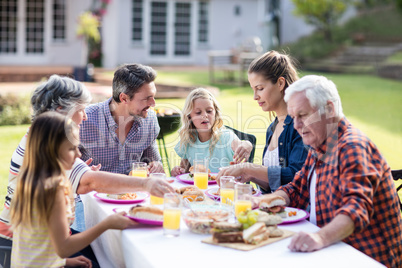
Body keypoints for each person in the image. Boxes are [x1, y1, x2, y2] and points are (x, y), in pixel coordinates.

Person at [0, 75, 173, 257]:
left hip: (34, 239)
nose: (84, 117)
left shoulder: (39, 133)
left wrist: (82, 175)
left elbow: (81, 184)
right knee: (108, 254)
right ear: (61, 109)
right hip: (24, 246)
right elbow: (89, 183)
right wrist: (146, 184)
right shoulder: (51, 141)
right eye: (81, 110)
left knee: (103, 251)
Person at [259, 75, 402, 268]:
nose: (296, 125)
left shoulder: (352, 146)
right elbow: (297, 189)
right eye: (293, 117)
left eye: (303, 115)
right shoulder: (319, 144)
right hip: (333, 253)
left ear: (330, 109)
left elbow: (356, 209)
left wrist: (319, 238)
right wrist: (261, 201)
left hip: (366, 259)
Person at [10, 112, 136, 267]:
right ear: (51, 150)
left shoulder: (30, 179)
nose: (79, 154)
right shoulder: (53, 190)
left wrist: (64, 262)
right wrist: (107, 224)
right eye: (72, 149)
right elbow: (63, 247)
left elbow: (38, 240)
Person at [216, 51, 307, 193]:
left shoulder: (300, 126)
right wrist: (251, 175)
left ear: (280, 83)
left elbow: (296, 177)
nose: (255, 97)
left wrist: (249, 168)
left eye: (260, 89)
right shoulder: (272, 128)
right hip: (272, 208)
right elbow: (274, 185)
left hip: (294, 213)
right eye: (253, 89)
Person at [79, 63, 164, 175]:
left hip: (133, 192)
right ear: (124, 98)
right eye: (147, 99)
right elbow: (63, 171)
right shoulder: (84, 120)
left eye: (153, 97)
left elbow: (154, 162)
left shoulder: (150, 120)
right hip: (94, 191)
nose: (153, 104)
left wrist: (156, 166)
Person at [171, 87, 253, 175]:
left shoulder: (226, 137)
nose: (205, 115)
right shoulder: (188, 140)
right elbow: (185, 172)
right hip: (199, 188)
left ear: (215, 113)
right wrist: (177, 171)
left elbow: (239, 145)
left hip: (225, 186)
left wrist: (247, 144)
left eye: (209, 111)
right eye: (198, 113)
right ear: (189, 117)